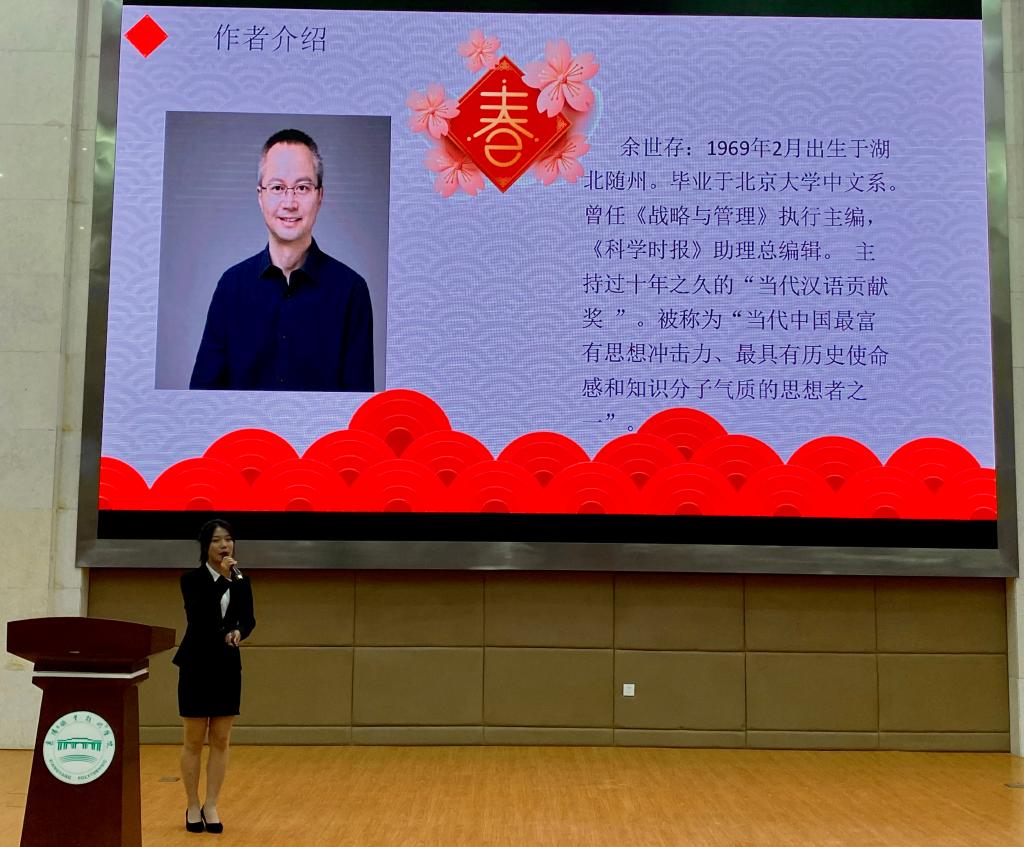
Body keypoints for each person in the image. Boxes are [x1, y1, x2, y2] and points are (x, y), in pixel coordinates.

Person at [189, 128, 374, 391]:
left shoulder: (351, 291)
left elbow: (358, 405)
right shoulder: (231, 286)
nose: (289, 202)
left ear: (320, 196)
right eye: (277, 187)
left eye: (302, 187)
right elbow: (202, 398)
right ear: (260, 196)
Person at [173, 518, 256, 834]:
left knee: (221, 738)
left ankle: (211, 803)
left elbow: (248, 619)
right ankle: (192, 804)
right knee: (194, 739)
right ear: (205, 546)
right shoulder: (191, 580)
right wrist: (225, 578)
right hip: (196, 664)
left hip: (226, 666)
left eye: (229, 539)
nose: (225, 545)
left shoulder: (241, 580)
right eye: (217, 540)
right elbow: (200, 614)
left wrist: (239, 631)